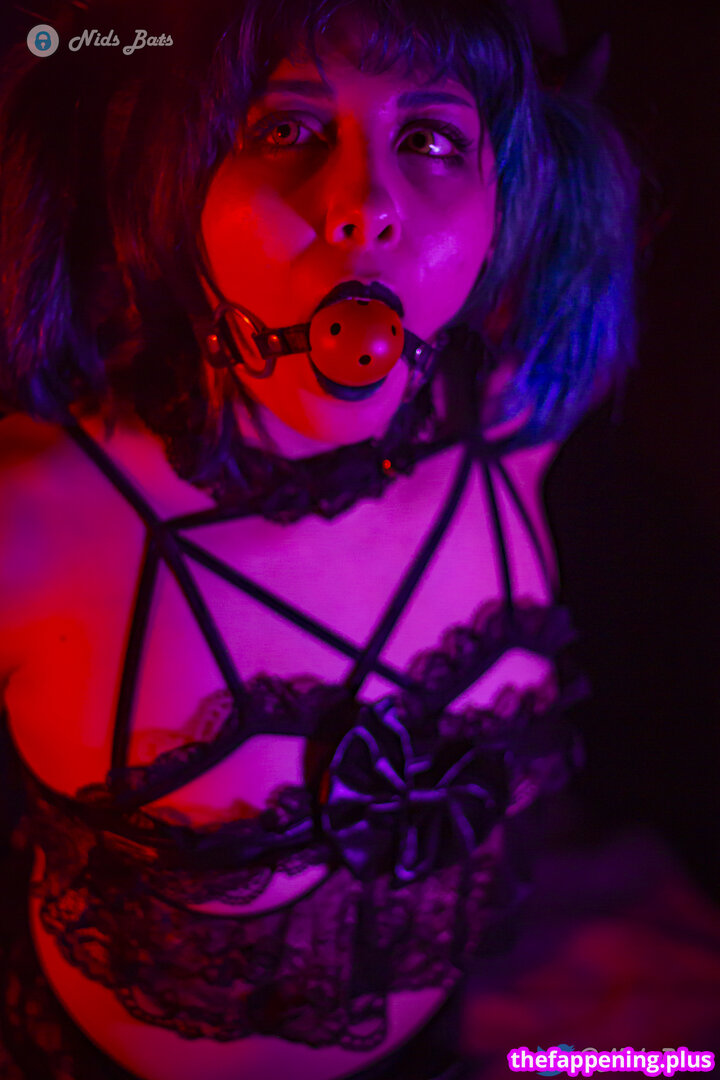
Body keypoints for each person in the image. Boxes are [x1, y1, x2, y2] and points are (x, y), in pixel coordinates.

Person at [0, 0, 636, 1077]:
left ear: (503, 200)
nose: (366, 206)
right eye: (284, 128)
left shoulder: (520, 426)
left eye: (429, 137)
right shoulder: (33, 519)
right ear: (170, 179)